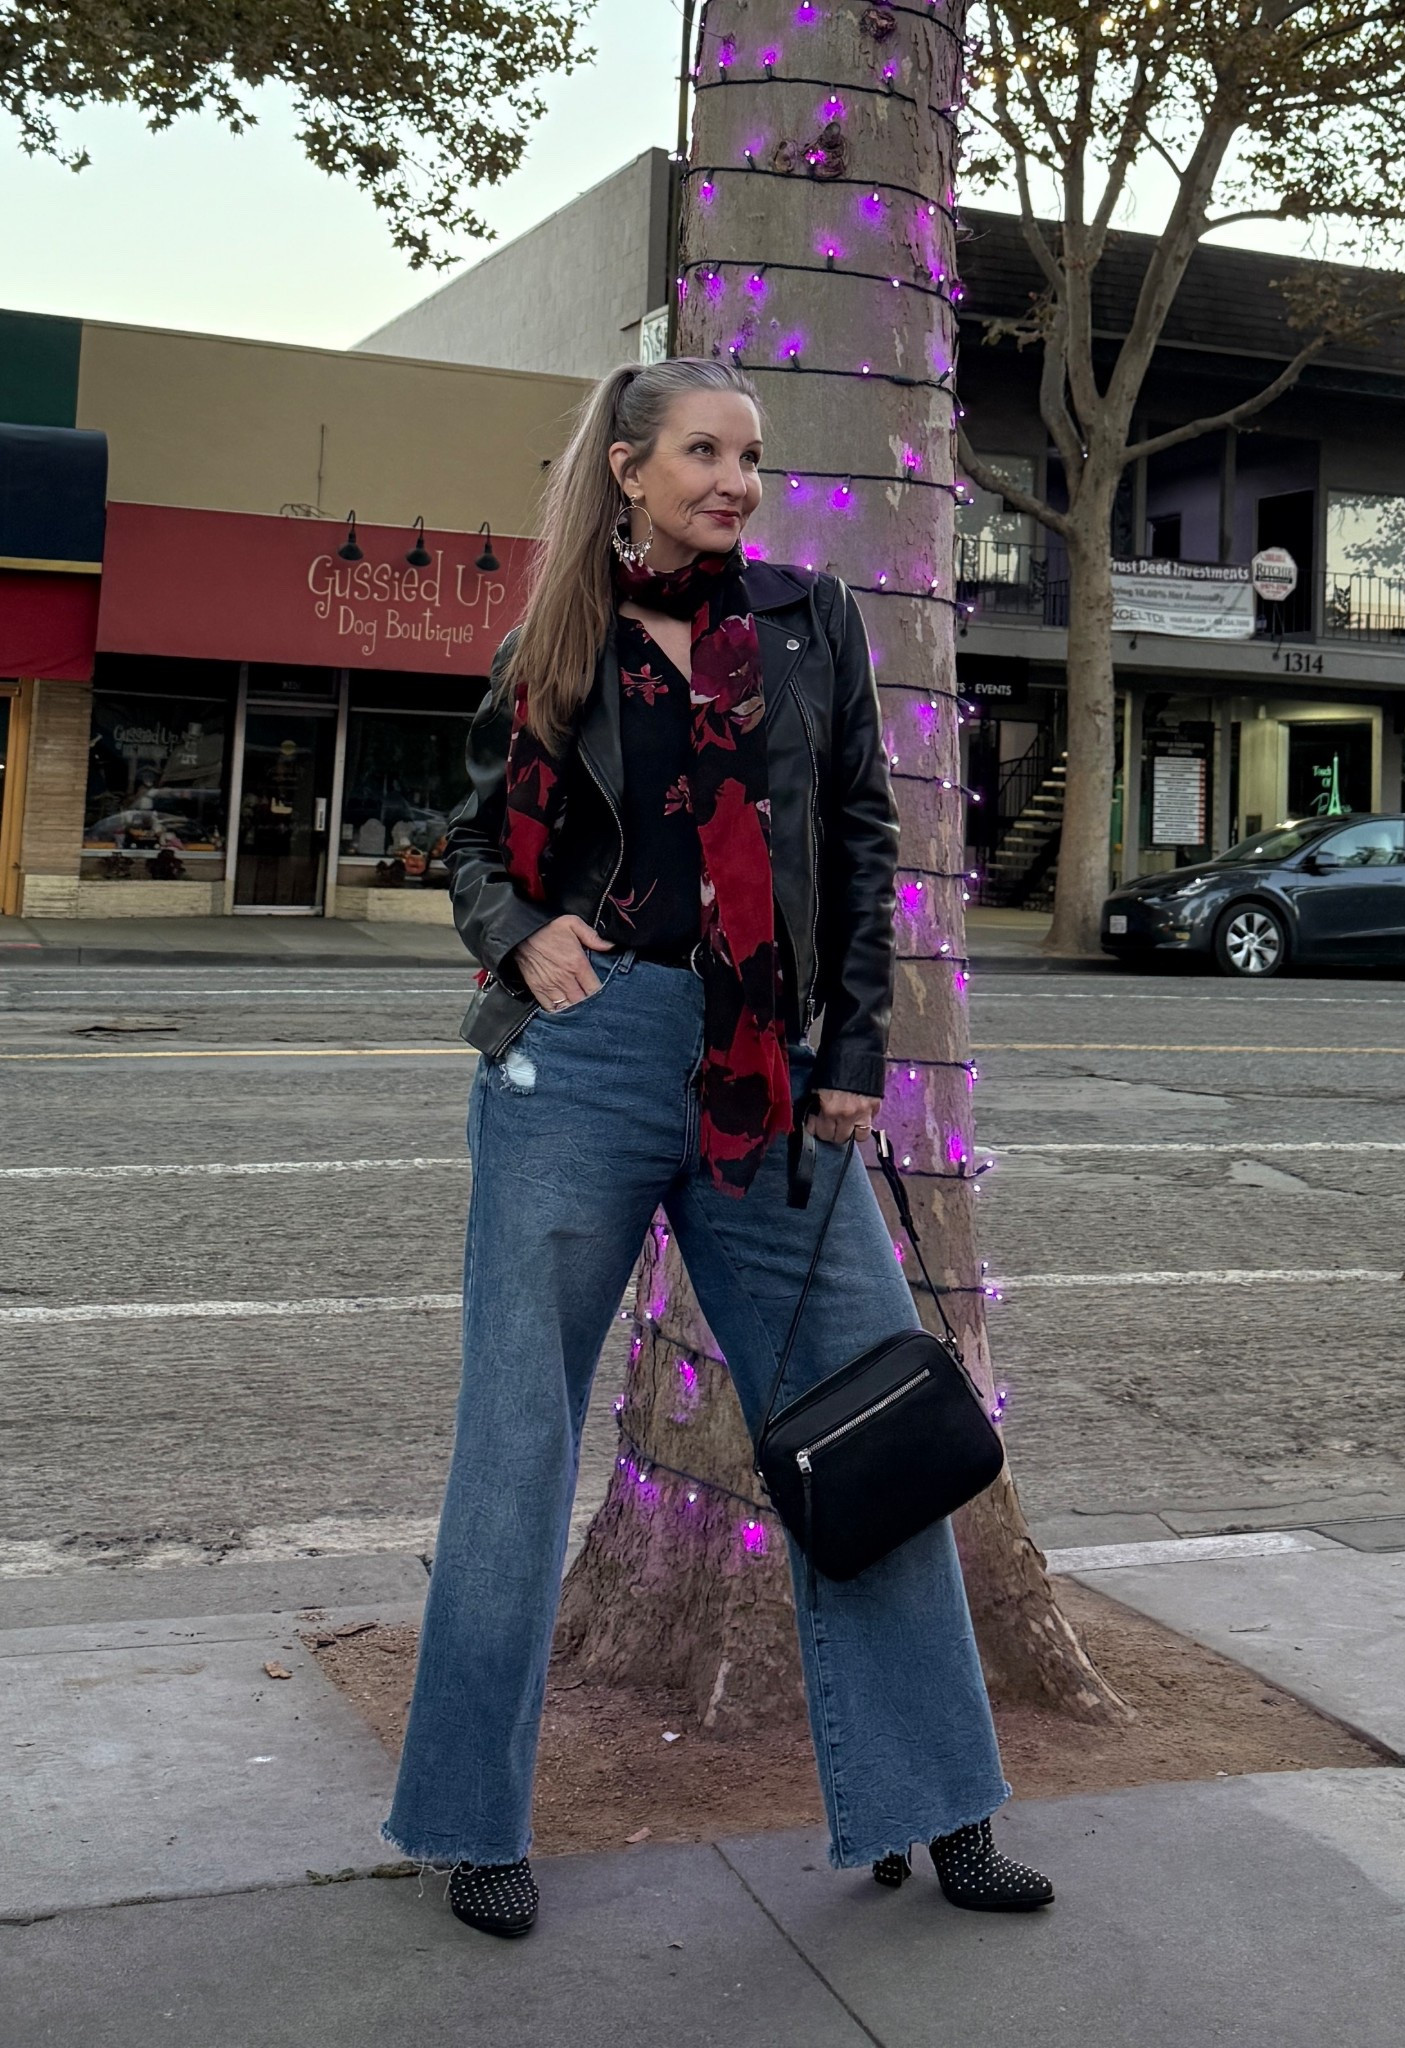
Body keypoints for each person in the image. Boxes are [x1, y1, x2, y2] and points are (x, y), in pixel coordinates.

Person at [383, 358, 1053, 1937]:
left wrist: (855, 1052)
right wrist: (520, 934)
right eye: (703, 451)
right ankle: (472, 1821)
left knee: (868, 1421)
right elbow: (474, 842)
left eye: (749, 455)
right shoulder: (556, 638)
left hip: (772, 1071)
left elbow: (863, 839)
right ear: (630, 467)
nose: (735, 479)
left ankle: (939, 1806)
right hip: (587, 1057)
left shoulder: (813, 622)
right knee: (515, 1440)